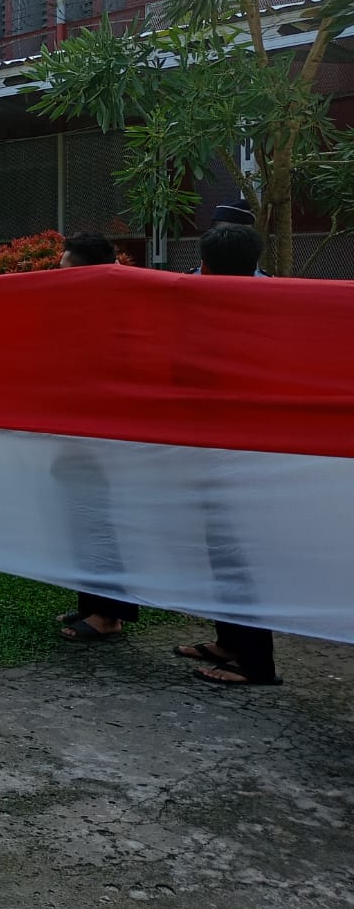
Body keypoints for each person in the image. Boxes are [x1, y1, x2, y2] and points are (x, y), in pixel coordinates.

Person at [175, 222, 282, 686]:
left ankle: (257, 663)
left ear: (207, 264)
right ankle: (230, 639)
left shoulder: (209, 306)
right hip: (237, 445)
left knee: (238, 552)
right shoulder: (275, 300)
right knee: (221, 546)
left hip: (234, 451)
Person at [48, 233, 139, 641]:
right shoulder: (84, 312)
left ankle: (109, 615)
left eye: (65, 269)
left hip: (100, 443)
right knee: (83, 523)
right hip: (79, 437)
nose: (57, 276)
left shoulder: (110, 316)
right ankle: (93, 605)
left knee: (98, 525)